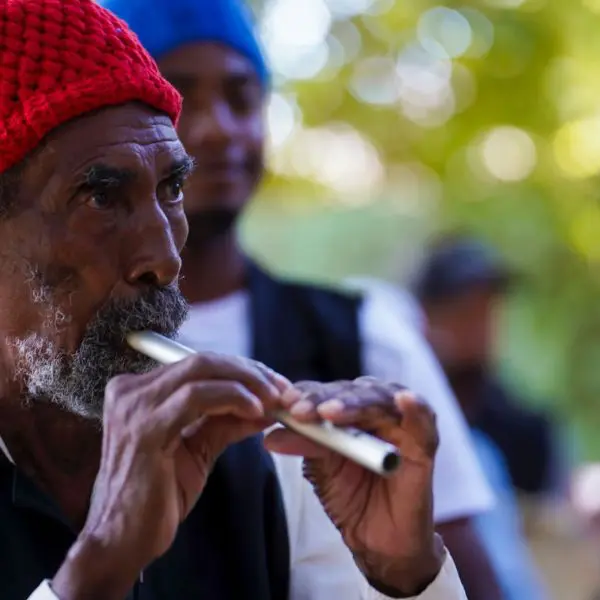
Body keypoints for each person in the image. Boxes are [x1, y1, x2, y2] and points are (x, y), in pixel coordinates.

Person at [0, 1, 469, 598]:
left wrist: (403, 575)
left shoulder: (264, 464)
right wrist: (101, 565)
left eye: (172, 188)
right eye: (99, 197)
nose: (165, 259)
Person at [415, 236, 565, 499]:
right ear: (427, 315)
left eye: (487, 309)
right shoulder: (404, 410)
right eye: (464, 310)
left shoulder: (524, 429)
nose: (479, 325)